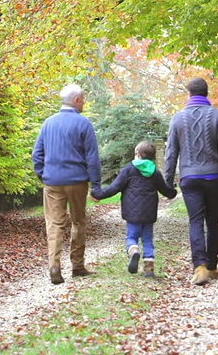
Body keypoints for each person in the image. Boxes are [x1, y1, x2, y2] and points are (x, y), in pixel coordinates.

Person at [164, 77, 218, 286]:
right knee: (213, 221)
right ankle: (213, 265)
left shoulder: (177, 118)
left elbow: (171, 152)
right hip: (213, 176)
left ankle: (200, 267)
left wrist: (168, 181)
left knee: (195, 221)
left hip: (189, 178)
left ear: (189, 94)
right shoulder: (217, 116)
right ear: (206, 94)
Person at [32, 84, 102, 285]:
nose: (85, 103)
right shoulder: (83, 124)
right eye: (84, 99)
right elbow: (92, 158)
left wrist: (44, 176)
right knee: (78, 221)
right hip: (78, 181)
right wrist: (95, 184)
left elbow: (37, 154)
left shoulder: (48, 123)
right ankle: (77, 266)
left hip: (53, 182)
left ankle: (54, 266)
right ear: (76, 100)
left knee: (54, 224)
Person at [91, 141, 177, 277]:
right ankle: (149, 269)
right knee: (148, 239)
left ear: (137, 153)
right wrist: (173, 192)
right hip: (149, 213)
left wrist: (97, 194)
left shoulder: (128, 170)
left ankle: (134, 250)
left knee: (131, 237)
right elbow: (166, 190)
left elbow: (114, 188)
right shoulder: (155, 172)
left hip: (132, 213)